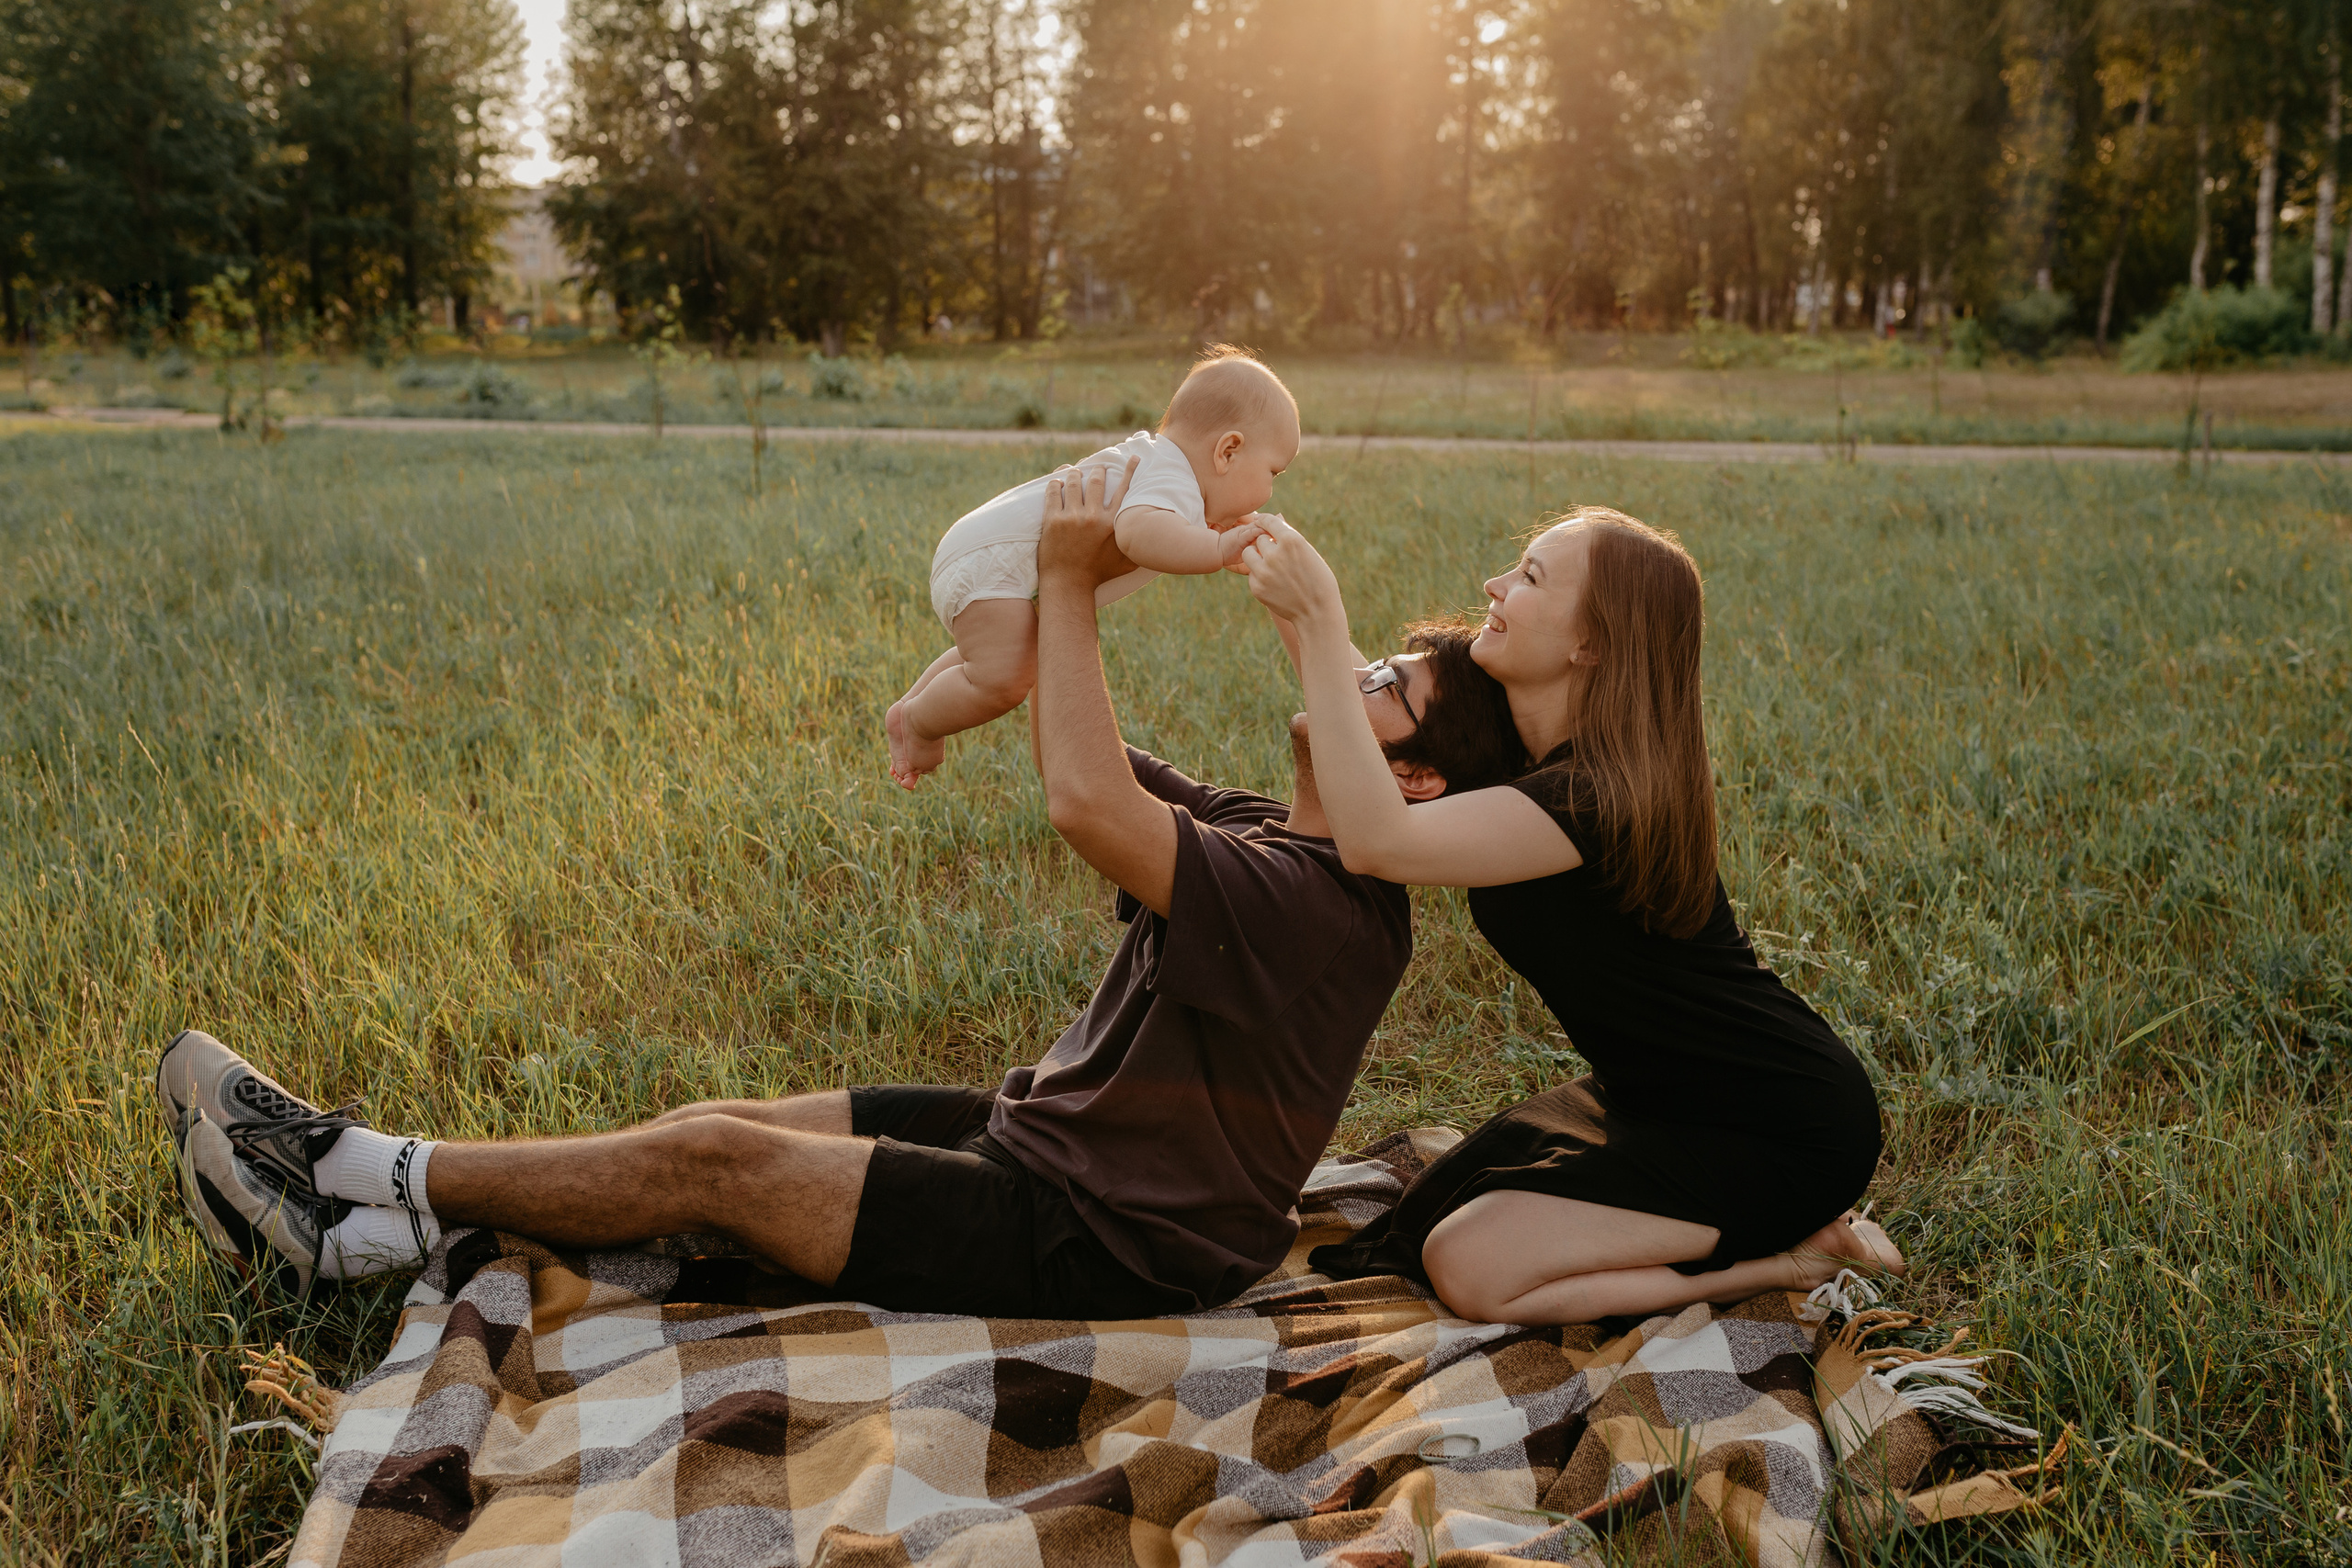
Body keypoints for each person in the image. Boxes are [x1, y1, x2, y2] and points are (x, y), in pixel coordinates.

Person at [159, 465, 1521, 1316]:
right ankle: (360, 1249)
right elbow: (1077, 737)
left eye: (1390, 689)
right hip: (1044, 1141)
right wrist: (1045, 598)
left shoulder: (1330, 910)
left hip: (1106, 1239)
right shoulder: (1270, 831)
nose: (1358, 680)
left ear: (1414, 785)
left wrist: (1066, 579)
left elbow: (1087, 801)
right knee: (716, 1122)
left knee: (720, 1166)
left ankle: (349, 1166)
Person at [1238, 504, 1903, 1326]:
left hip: (1776, 1127)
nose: (1495, 584)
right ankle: (1751, 1235)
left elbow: (1379, 840)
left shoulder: (1598, 798)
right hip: (1651, 1100)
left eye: (1529, 577)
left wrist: (1318, 605)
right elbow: (1371, 696)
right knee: (1446, 1221)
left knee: (1467, 1264)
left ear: (1589, 643)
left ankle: (1783, 1259)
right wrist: (1270, 559)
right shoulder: (1524, 752)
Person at [885, 347, 1299, 788]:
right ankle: (919, 723)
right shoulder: (1173, 479)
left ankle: (906, 709)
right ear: (1228, 451)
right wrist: (1217, 547)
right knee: (1005, 678)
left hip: (980, 551)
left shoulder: (1162, 467)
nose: (1271, 491)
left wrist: (1205, 529)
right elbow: (1138, 533)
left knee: (1002, 651)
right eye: (1274, 472)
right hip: (993, 563)